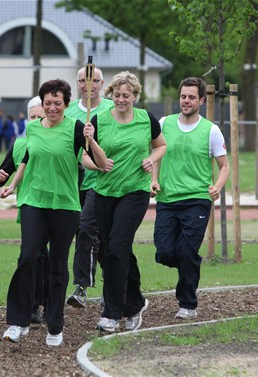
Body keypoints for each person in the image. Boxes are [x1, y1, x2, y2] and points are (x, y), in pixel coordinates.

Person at [0, 79, 107, 347]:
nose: (52, 107)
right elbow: (27, 159)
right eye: (47, 103)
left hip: (65, 206)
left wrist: (91, 140)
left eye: (57, 103)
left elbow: (101, 163)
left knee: (58, 267)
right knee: (28, 257)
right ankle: (18, 321)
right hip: (34, 202)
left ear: (66, 104)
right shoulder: (33, 130)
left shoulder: (76, 128)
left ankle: (55, 326)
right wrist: (13, 185)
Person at [93, 71, 166, 332]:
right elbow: (84, 158)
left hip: (134, 192)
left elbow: (161, 145)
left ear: (135, 96)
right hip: (104, 193)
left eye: (126, 95)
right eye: (116, 95)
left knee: (117, 247)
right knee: (112, 250)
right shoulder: (98, 120)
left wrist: (152, 158)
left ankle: (111, 314)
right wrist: (98, 164)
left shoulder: (147, 119)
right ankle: (135, 303)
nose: (121, 100)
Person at [153, 77, 230, 320]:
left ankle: (187, 303)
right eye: (183, 96)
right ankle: (189, 264)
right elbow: (156, 154)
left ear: (201, 100)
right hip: (167, 199)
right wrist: (153, 180)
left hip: (197, 199)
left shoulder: (211, 130)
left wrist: (217, 186)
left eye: (191, 97)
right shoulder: (164, 124)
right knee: (164, 252)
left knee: (186, 252)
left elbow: (225, 166)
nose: (186, 101)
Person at [0, 96, 48, 324]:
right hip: (29, 206)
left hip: (56, 206)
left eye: (40, 117)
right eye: (32, 117)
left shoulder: (56, 141)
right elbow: (3, 173)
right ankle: (33, 305)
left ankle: (43, 302)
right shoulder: (19, 144)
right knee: (32, 254)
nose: (35, 121)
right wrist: (0, 178)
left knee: (41, 256)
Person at [65, 65, 113, 308]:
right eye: (83, 80)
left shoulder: (111, 110)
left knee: (93, 230)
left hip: (102, 181)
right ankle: (83, 285)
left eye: (93, 80)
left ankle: (92, 285)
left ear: (101, 84)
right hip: (73, 182)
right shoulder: (69, 111)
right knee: (81, 233)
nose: (88, 85)